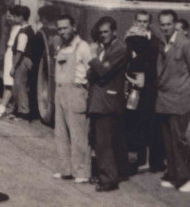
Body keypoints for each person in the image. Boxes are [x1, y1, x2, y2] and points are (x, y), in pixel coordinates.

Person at [155, 9, 190, 192]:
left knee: (182, 141)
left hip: (181, 101)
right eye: (162, 24)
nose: (165, 27)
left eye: (169, 24)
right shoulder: (162, 43)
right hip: (164, 100)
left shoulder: (186, 45)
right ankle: (174, 174)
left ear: (175, 24)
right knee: (168, 141)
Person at [87, 16, 129, 192]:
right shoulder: (105, 48)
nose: (102, 35)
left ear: (114, 32)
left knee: (104, 143)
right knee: (101, 141)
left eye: (106, 32)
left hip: (108, 101)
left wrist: (93, 57)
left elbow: (104, 71)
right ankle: (108, 173)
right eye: (100, 32)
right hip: (99, 100)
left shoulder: (119, 48)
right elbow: (93, 73)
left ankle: (108, 179)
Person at [52, 14, 92, 184]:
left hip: (76, 92)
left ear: (74, 27)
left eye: (65, 28)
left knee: (78, 134)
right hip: (60, 92)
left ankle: (81, 172)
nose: (62, 32)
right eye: (59, 28)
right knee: (60, 133)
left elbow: (91, 72)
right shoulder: (61, 47)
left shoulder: (82, 47)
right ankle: (65, 169)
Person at [124, 11, 164, 175]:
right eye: (139, 21)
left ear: (149, 23)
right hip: (135, 85)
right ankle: (138, 158)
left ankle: (148, 161)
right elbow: (129, 59)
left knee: (148, 123)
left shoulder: (153, 40)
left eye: (145, 21)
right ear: (134, 21)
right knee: (135, 120)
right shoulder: (129, 38)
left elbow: (149, 56)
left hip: (149, 87)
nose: (141, 24)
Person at [0, 5, 35, 120]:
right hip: (23, 60)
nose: (12, 18)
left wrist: (13, 66)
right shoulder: (27, 29)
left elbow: (19, 51)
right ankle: (18, 109)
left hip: (22, 61)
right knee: (20, 85)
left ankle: (23, 113)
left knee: (20, 86)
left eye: (15, 16)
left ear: (21, 17)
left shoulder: (23, 32)